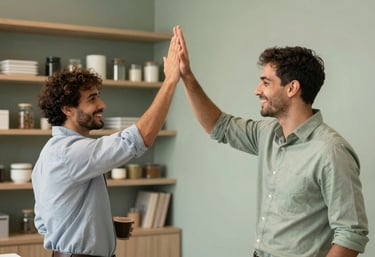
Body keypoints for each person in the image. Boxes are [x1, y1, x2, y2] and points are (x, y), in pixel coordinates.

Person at [174, 26, 369, 257]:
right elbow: (219, 126)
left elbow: (350, 235)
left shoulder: (331, 152)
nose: (257, 90)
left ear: (292, 88)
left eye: (266, 82)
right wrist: (186, 77)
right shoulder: (267, 133)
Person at [31, 32, 181, 257]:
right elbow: (137, 140)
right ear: (67, 109)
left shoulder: (50, 152)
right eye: (92, 98)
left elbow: (45, 221)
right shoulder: (70, 153)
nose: (102, 104)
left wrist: (96, 228)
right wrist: (170, 81)